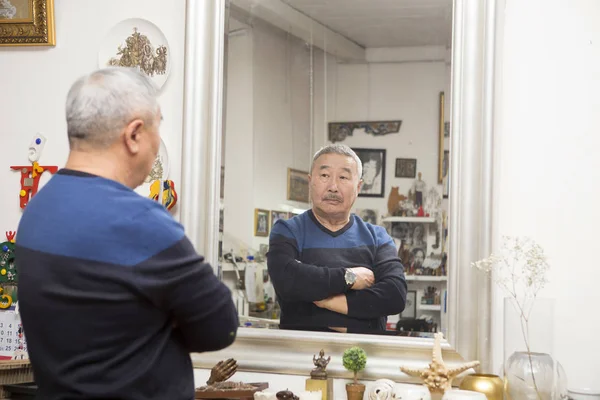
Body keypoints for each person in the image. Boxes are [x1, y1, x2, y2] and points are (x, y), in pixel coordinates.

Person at [15, 67, 238, 400]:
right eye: (157, 126)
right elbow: (220, 328)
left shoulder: (37, 210)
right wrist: (164, 321)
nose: (157, 140)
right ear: (134, 134)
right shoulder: (139, 221)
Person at [267, 144, 407, 333]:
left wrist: (325, 301)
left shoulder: (377, 237)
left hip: (364, 354)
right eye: (324, 176)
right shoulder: (288, 230)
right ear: (310, 182)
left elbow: (394, 295)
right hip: (302, 354)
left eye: (343, 177)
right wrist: (350, 277)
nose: (333, 186)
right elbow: (288, 280)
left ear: (358, 187)